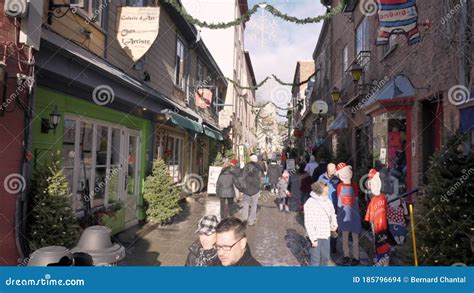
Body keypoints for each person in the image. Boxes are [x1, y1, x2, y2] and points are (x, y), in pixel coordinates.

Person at [304, 181, 338, 266]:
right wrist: (313, 238)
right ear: (319, 191)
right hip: (316, 235)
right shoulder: (310, 202)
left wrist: (334, 223)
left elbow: (332, 213)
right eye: (325, 191)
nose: (328, 192)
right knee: (315, 259)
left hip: (326, 234)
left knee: (325, 257)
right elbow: (308, 222)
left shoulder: (328, 201)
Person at [318, 163, 340, 253]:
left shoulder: (339, 178)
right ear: (327, 170)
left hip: (335, 207)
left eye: (333, 172)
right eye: (329, 172)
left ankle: (333, 247)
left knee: (334, 228)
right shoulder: (321, 178)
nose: (331, 174)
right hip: (324, 207)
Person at [238, 154, 264, 226]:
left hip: (246, 189)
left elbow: (240, 177)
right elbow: (263, 179)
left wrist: (241, 187)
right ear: (256, 160)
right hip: (256, 189)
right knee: (254, 205)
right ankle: (251, 221)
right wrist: (261, 187)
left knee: (246, 204)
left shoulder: (245, 167)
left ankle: (244, 220)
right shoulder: (259, 167)